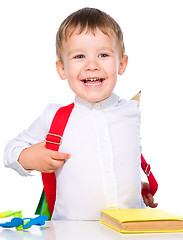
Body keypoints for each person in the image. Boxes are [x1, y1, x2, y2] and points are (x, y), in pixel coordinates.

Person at [4, 7, 157, 220]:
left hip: (128, 230)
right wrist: (28, 157)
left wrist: (136, 190)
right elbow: (10, 150)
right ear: (62, 69)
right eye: (79, 56)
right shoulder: (55, 116)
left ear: (121, 64)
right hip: (71, 232)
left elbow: (121, 161)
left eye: (103, 55)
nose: (92, 65)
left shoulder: (132, 111)